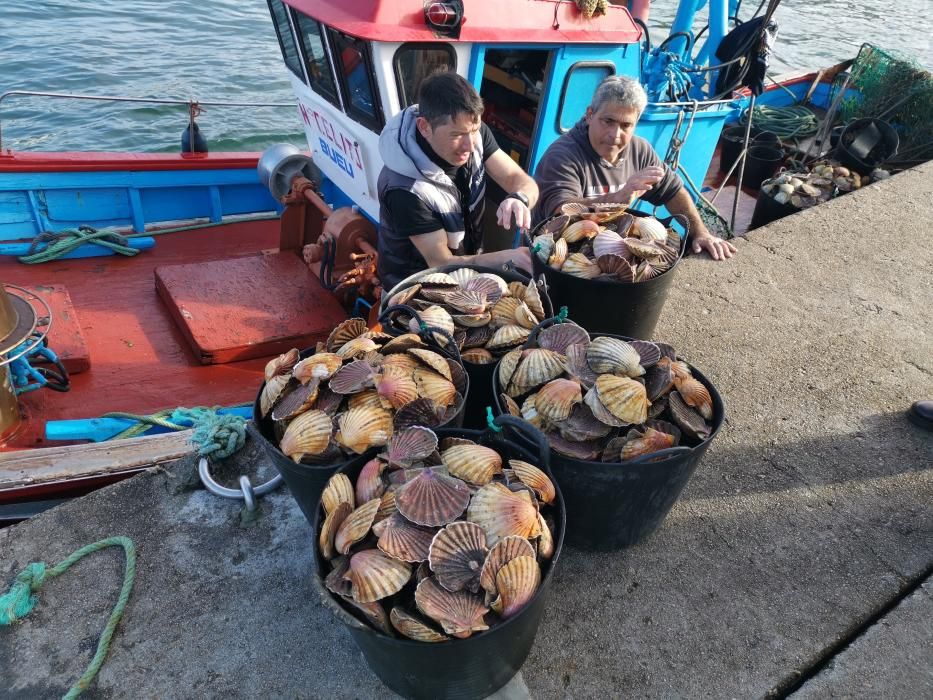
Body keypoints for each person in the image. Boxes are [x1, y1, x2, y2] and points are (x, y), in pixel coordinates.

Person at [532, 75, 736, 261]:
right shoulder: (562, 156)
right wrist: (619, 197)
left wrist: (699, 233)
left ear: (636, 123)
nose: (615, 134)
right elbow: (562, 211)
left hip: (608, 249)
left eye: (626, 125)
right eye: (608, 121)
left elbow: (672, 191)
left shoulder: (639, 150)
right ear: (589, 114)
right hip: (553, 256)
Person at [376, 72, 538, 291]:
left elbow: (516, 179)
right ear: (424, 127)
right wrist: (508, 258)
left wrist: (520, 197)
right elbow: (440, 262)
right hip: (416, 290)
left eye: (473, 131)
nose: (470, 146)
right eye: (456, 135)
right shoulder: (404, 189)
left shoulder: (473, 132)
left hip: (465, 269)